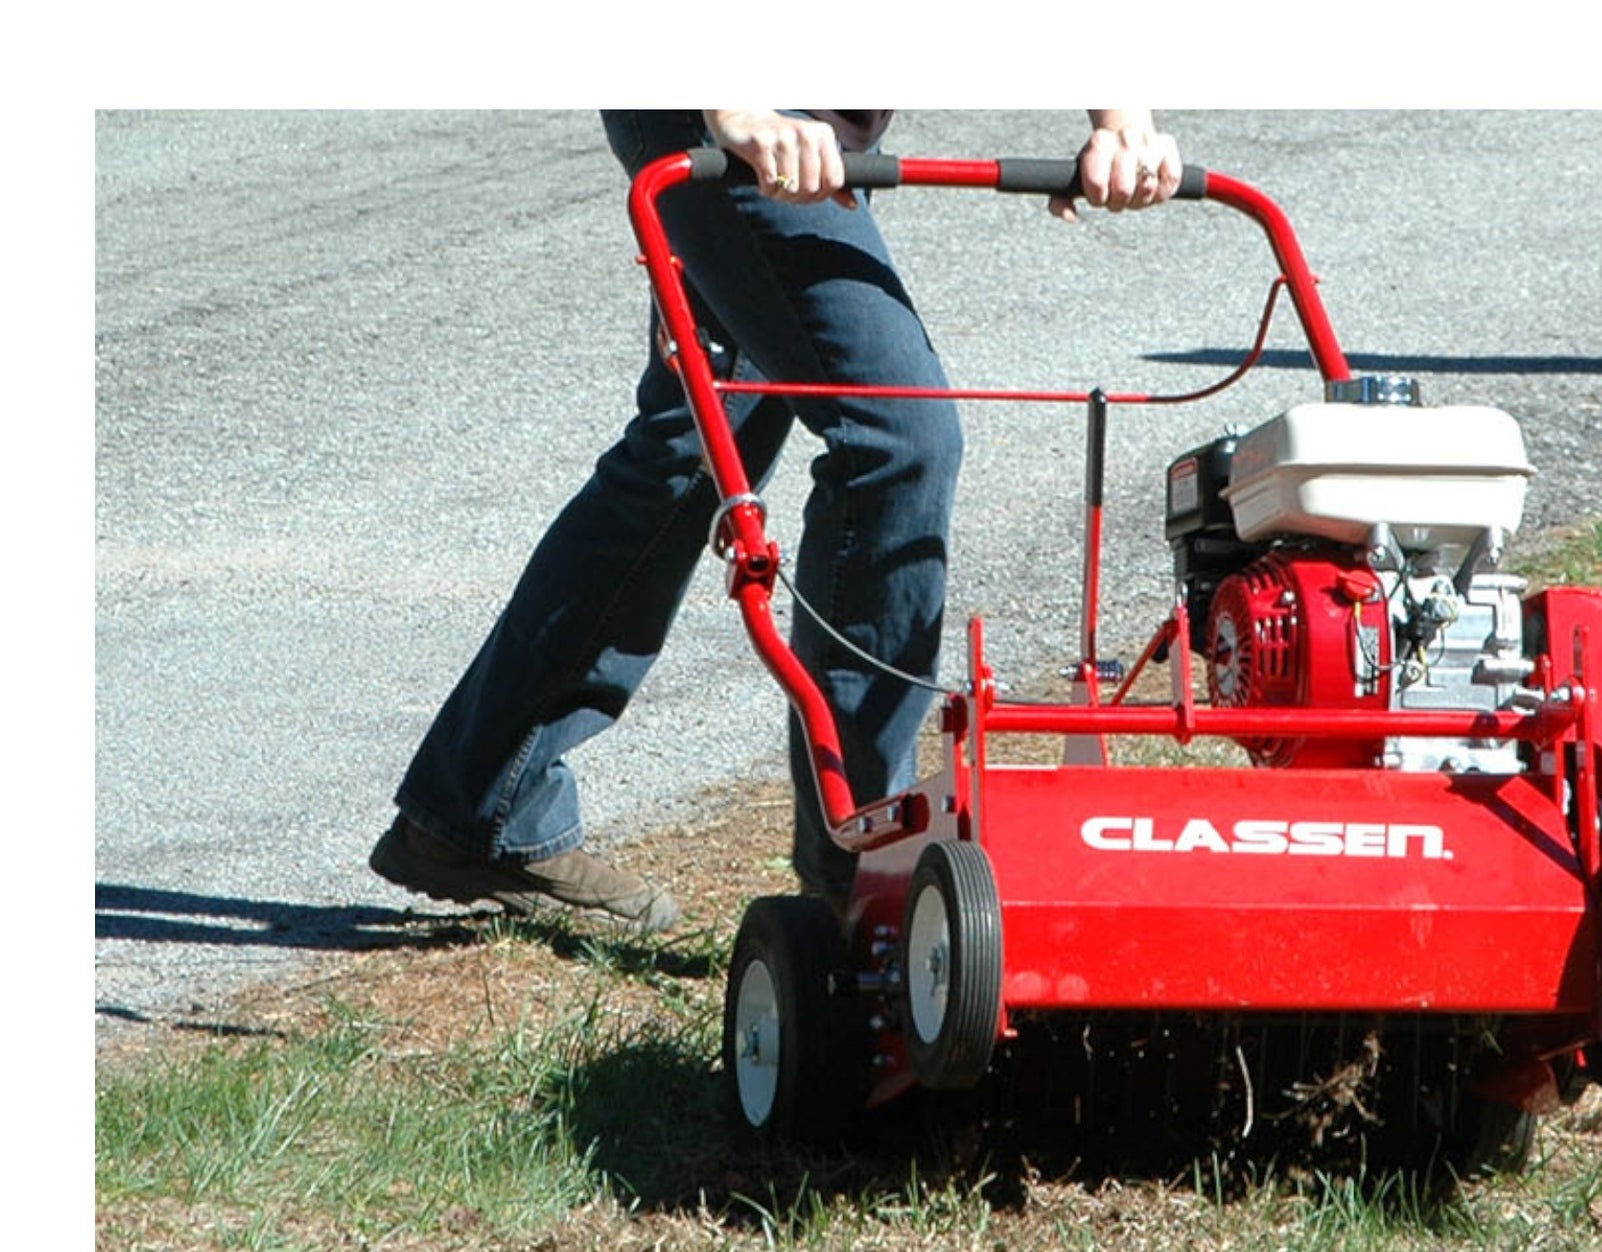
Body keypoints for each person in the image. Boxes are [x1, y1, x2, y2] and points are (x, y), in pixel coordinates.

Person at [370, 109, 1184, 929]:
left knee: (688, 460)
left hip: (809, 142)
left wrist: (1123, 123)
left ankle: (476, 806)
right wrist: (738, 110)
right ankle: (871, 870)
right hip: (733, 123)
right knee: (899, 436)